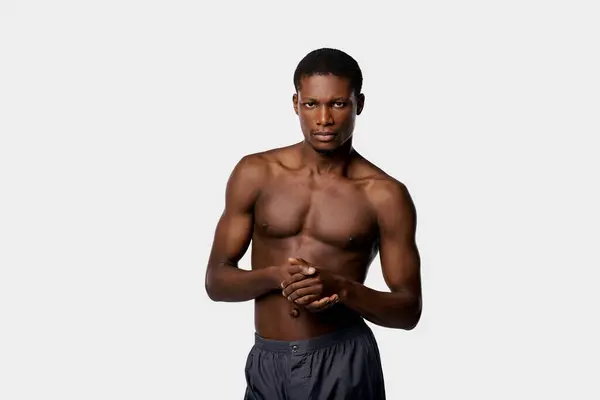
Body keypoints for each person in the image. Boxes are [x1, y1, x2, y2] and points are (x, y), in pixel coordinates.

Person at [205, 47, 422, 400]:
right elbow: (216, 282)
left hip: (342, 361)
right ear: (295, 103)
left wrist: (341, 288)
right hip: (267, 362)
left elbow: (408, 310)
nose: (324, 119)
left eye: (338, 104)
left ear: (359, 104)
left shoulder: (385, 195)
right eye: (311, 104)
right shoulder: (255, 173)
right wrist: (275, 276)